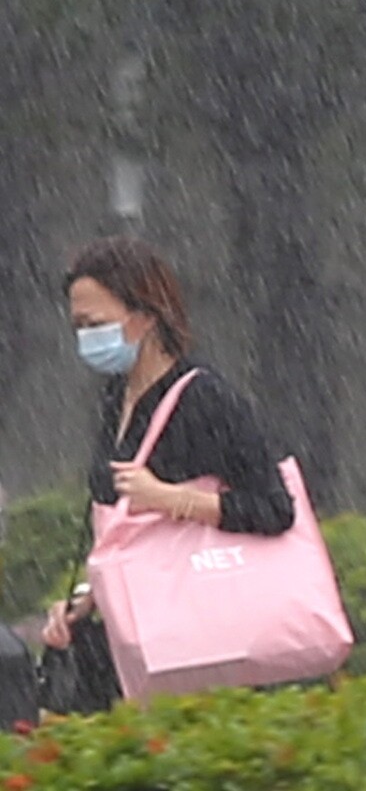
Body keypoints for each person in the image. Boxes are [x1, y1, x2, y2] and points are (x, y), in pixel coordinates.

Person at [41, 236, 295, 692]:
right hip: (131, 645)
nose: (85, 339)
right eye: (78, 326)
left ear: (144, 319)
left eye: (94, 323)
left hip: (196, 646)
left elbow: (275, 508)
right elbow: (130, 530)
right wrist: (87, 597)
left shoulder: (205, 398)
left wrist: (172, 498)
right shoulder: (116, 396)